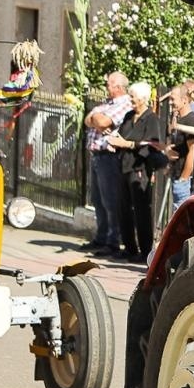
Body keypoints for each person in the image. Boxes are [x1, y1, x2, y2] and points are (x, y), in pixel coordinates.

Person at [106, 81, 166, 261]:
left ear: (143, 99)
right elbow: (122, 136)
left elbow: (151, 144)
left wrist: (126, 144)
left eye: (133, 97)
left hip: (139, 168)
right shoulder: (129, 115)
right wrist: (114, 141)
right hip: (124, 165)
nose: (130, 100)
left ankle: (145, 251)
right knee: (123, 208)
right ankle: (129, 247)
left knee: (141, 210)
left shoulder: (152, 119)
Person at [84, 72, 131, 256]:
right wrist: (97, 118)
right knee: (97, 199)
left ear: (119, 87)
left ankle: (113, 240)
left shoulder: (125, 104)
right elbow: (89, 120)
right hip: (97, 155)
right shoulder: (107, 104)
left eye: (109, 84)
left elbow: (102, 122)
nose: (106, 87)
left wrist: (97, 117)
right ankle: (101, 237)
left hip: (109, 157)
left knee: (110, 200)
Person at [166, 79, 194, 209]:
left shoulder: (190, 120)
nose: (171, 102)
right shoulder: (179, 120)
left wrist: (184, 178)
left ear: (184, 100)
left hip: (184, 181)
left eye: (173, 99)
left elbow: (193, 150)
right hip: (177, 175)